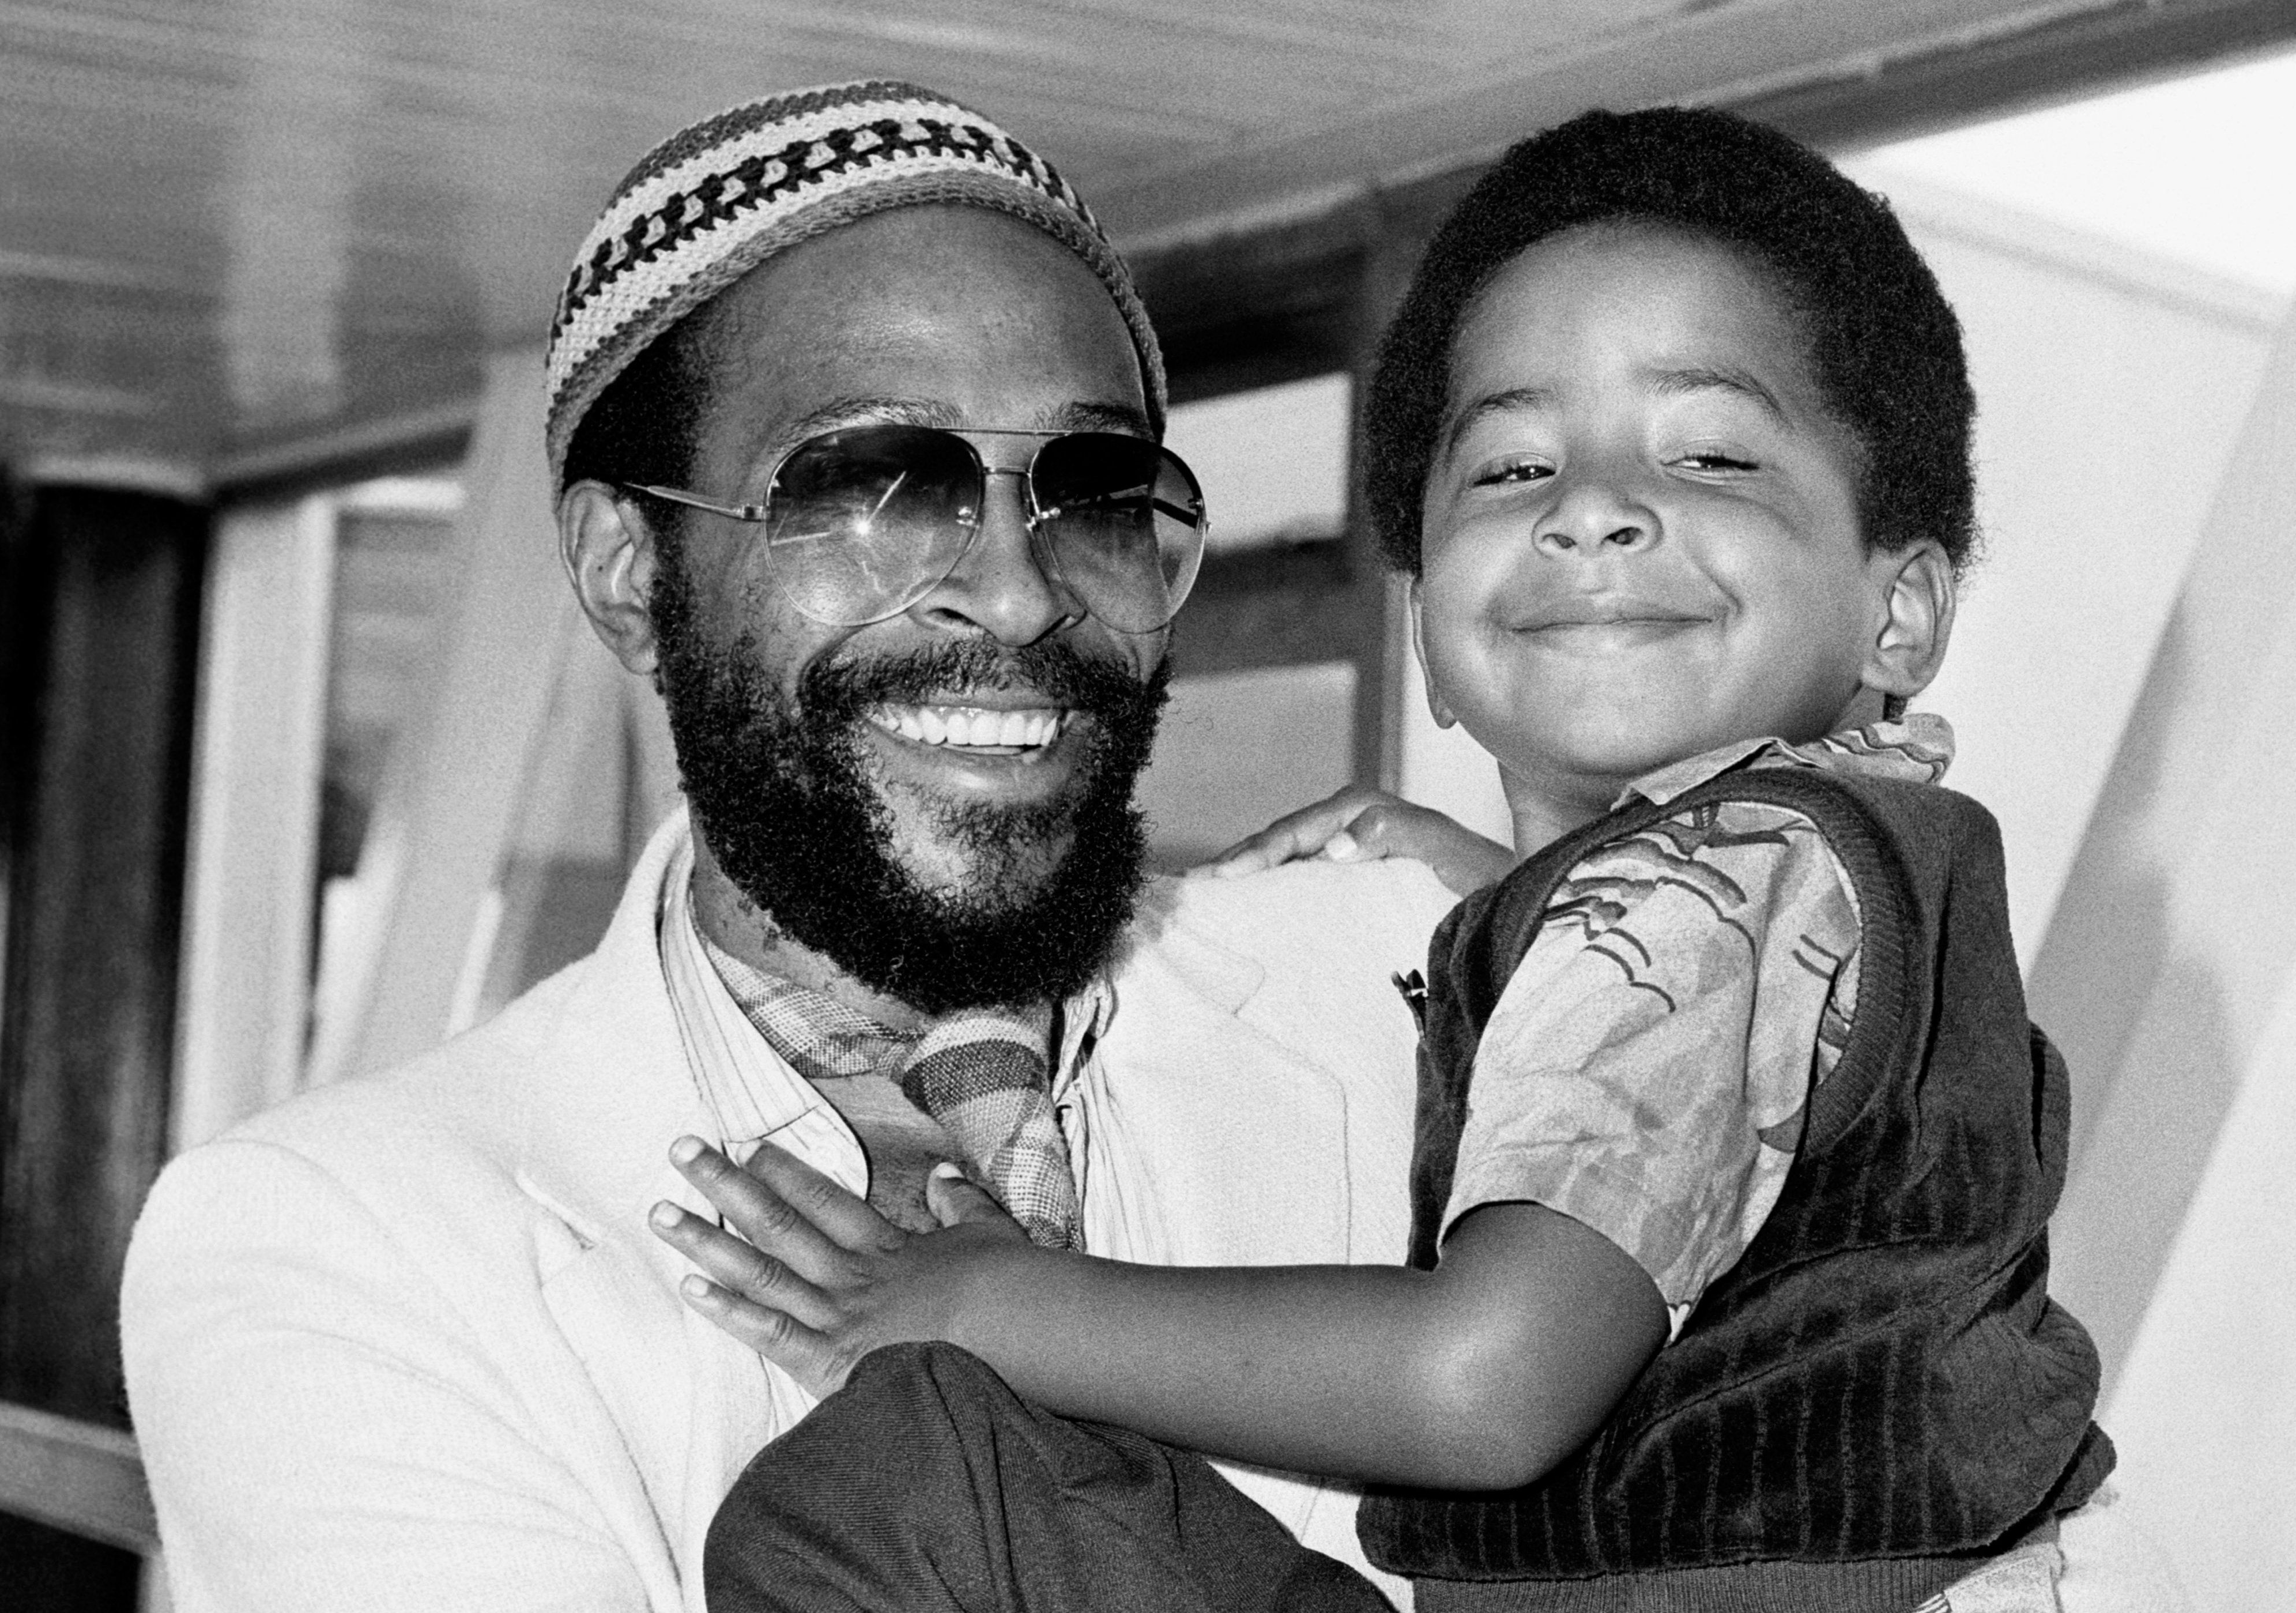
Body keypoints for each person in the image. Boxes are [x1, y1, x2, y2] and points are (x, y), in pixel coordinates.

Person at [655, 107, 2148, 1613]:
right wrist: (1511, 897)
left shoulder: (1684, 907)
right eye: (1510, 471)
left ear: (1897, 611)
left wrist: (998, 1301)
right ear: (1431, 629)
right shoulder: (1823, 866)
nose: (1593, 511)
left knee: (907, 1480)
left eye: (1708, 451)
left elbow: (1480, 1389)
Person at [119, 80, 1481, 1613]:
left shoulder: (1410, 991)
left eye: (1090, 495)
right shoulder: (340, 1239)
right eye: (865, 491)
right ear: (629, 573)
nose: (1021, 596)